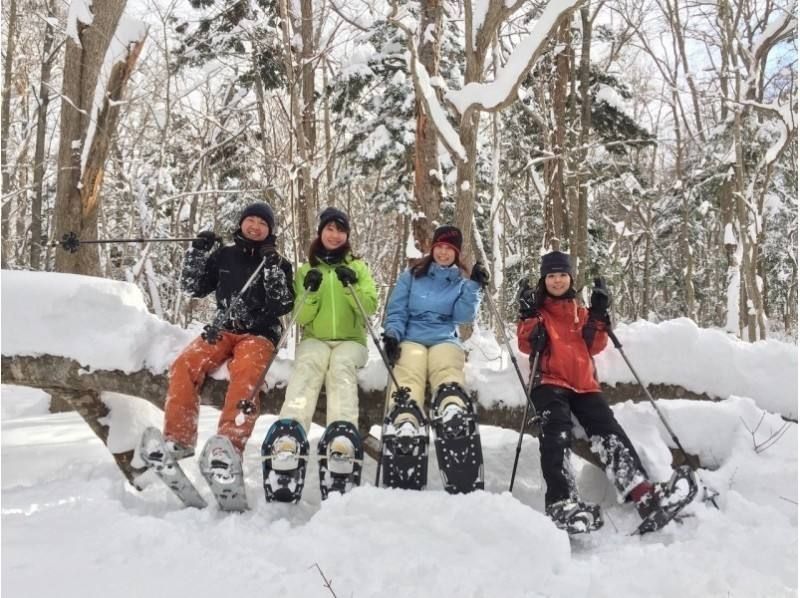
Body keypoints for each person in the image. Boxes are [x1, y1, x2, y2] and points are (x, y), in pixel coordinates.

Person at [516, 250, 696, 533]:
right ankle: (561, 502)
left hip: (585, 385)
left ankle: (641, 492)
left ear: (571, 277)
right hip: (549, 383)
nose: (558, 280)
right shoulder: (539, 313)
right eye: (551, 276)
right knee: (556, 432)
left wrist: (599, 315)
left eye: (562, 274)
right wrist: (528, 316)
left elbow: (595, 345)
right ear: (544, 280)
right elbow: (527, 345)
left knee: (609, 430)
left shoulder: (581, 313)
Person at [159, 202, 294, 462]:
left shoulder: (280, 263)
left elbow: (282, 305)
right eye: (251, 220)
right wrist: (197, 253)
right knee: (184, 364)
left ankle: (230, 446)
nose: (255, 227)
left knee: (246, 375)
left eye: (263, 223)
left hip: (259, 334)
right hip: (222, 329)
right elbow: (192, 287)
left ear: (270, 230)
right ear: (242, 223)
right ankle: (179, 438)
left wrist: (272, 268)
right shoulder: (224, 256)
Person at [265, 206, 378, 500]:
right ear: (321, 232)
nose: (335, 234)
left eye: (341, 230)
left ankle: (341, 436)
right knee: (309, 365)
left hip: (351, 342)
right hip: (316, 339)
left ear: (347, 235)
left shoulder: (359, 268)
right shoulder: (306, 270)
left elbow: (369, 309)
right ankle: (289, 434)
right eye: (330, 228)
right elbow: (301, 318)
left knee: (340, 366)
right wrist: (311, 291)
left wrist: (349, 284)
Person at [380, 225, 489, 493]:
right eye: (439, 247)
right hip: (412, 336)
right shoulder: (412, 275)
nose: (443, 252)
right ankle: (405, 419)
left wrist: (475, 286)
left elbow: (463, 317)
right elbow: (397, 310)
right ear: (433, 248)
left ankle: (452, 408)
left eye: (449, 249)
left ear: (456, 253)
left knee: (446, 367)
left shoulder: (460, 282)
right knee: (408, 371)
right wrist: (392, 336)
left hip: (443, 337)